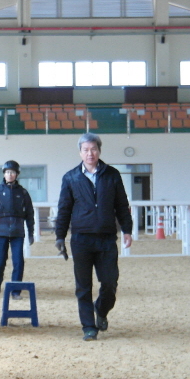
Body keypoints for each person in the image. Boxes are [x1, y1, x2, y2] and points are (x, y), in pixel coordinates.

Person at [55, 133, 133, 341]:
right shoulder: (70, 178)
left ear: (99, 151)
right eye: (86, 150)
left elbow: (122, 205)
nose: (90, 153)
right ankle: (88, 327)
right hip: (81, 239)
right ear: (80, 153)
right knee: (83, 286)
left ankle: (101, 309)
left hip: (107, 238)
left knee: (110, 283)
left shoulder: (112, 175)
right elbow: (64, 209)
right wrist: (60, 236)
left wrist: (127, 229)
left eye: (93, 149)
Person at [0, 161, 35, 297]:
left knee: (18, 262)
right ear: (4, 174)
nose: (10, 175)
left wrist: (31, 232)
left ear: (16, 174)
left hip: (18, 232)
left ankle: (16, 290)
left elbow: (30, 214)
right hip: (1, 232)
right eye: (7, 172)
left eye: (12, 172)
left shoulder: (23, 193)